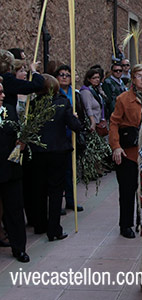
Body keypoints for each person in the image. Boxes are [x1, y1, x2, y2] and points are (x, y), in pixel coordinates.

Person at [29, 74, 82, 242]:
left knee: (39, 189)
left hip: (38, 151)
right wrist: (75, 119)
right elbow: (75, 126)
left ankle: (40, 225)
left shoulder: (34, 103)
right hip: (58, 151)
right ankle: (54, 229)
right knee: (55, 191)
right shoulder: (62, 102)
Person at [109, 64, 142, 239]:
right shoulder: (123, 99)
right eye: (139, 76)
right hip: (129, 152)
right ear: (133, 79)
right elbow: (114, 122)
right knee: (127, 190)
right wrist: (116, 146)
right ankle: (126, 224)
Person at [0, 77, 29, 262]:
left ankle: (19, 248)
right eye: (0, 93)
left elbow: (19, 132)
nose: (3, 96)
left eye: (3, 92)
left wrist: (22, 142)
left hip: (10, 169)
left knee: (15, 210)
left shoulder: (9, 111)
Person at [55, 65, 86, 214]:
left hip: (72, 135)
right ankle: (57, 203)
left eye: (67, 75)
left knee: (70, 171)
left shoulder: (75, 95)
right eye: (61, 75)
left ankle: (70, 200)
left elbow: (81, 110)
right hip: (59, 136)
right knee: (59, 172)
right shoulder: (54, 94)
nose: (65, 77)